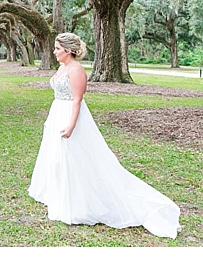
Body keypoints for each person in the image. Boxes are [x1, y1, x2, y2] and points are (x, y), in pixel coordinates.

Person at [28, 33, 181, 238]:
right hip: (57, 113)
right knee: (56, 159)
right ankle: (61, 195)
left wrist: (71, 124)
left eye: (57, 48)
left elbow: (77, 100)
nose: (54, 52)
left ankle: (79, 203)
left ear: (68, 50)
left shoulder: (77, 70)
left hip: (70, 116)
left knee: (73, 158)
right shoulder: (62, 68)